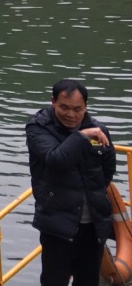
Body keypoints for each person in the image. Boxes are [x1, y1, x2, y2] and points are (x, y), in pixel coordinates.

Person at [26, 78, 116, 286]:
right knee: (54, 280)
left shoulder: (98, 129)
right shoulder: (38, 128)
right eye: (64, 107)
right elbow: (56, 160)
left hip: (92, 224)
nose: (71, 114)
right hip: (57, 223)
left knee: (87, 280)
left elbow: (108, 169)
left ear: (85, 107)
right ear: (53, 102)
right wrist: (82, 136)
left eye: (78, 109)